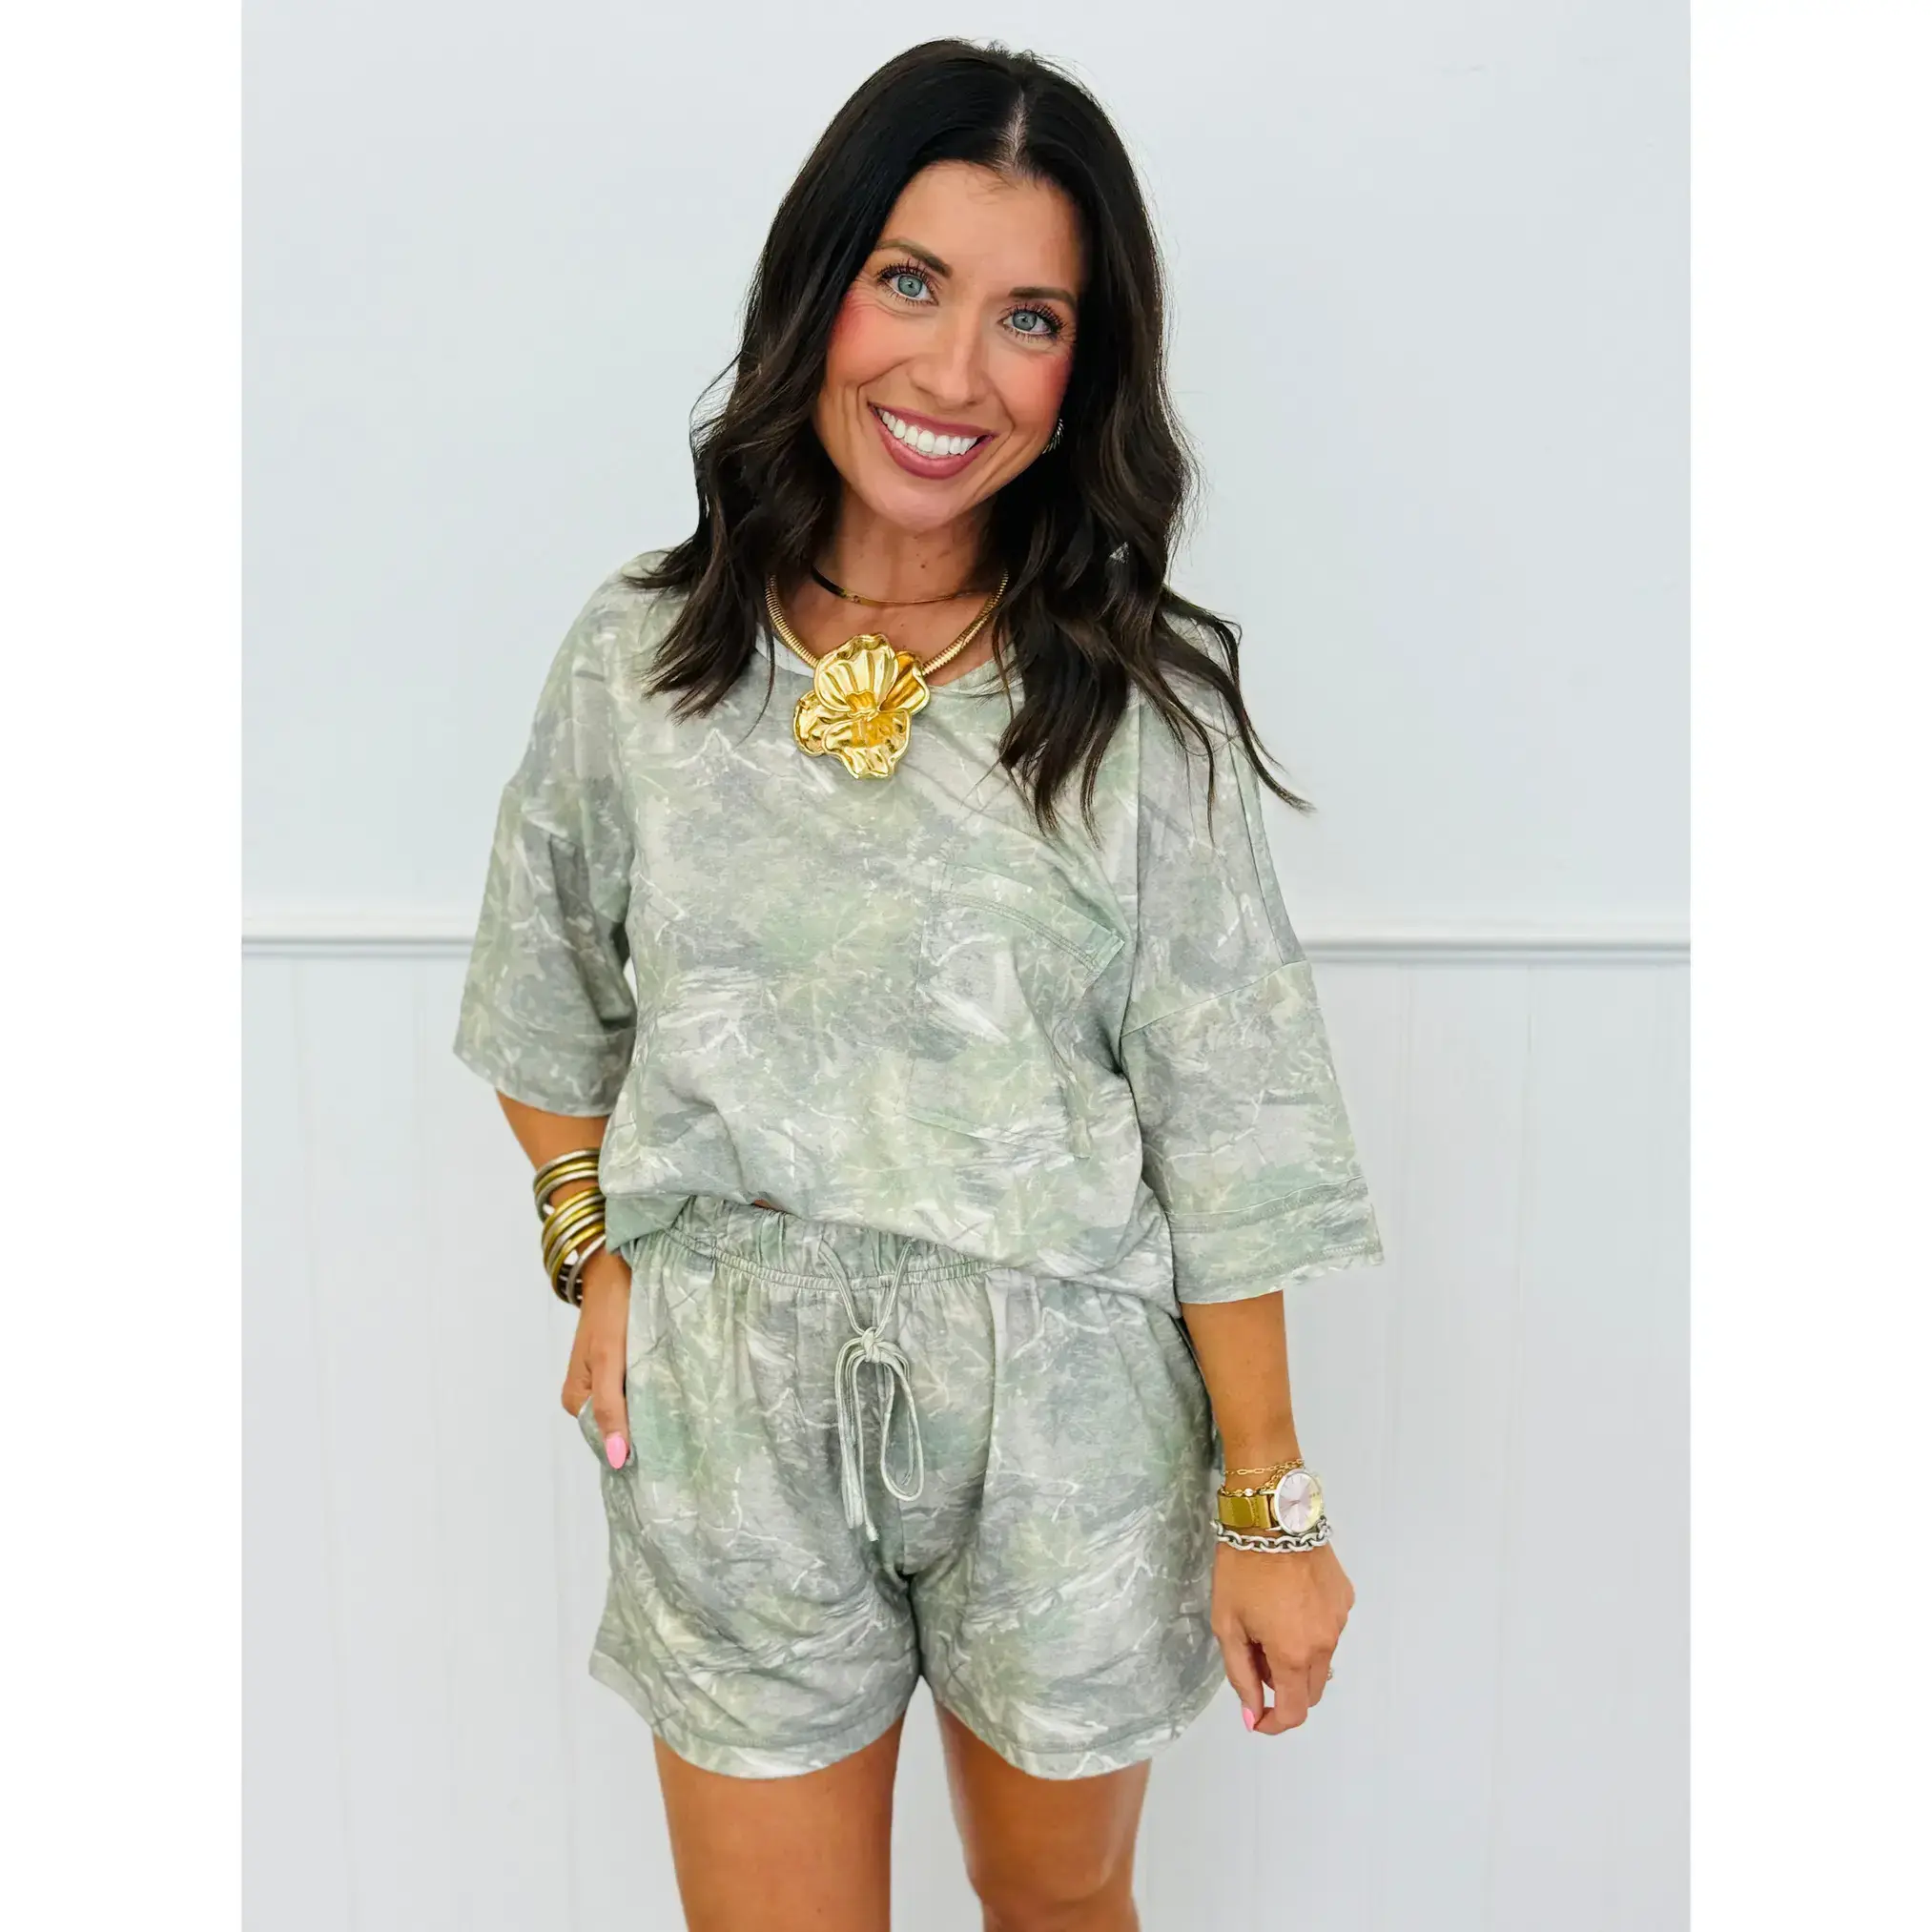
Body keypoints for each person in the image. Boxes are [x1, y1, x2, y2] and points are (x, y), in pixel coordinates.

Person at [453, 38, 1385, 1932]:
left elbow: (1232, 1123)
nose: (954, 373)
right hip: (724, 1408)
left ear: (1081, 373)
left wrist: (1268, 1504)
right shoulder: (641, 661)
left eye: (1029, 317)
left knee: (1055, 1907)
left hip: (1066, 1413)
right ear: (818, 292)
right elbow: (542, 988)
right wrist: (593, 1246)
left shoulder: (1136, 715)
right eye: (910, 281)